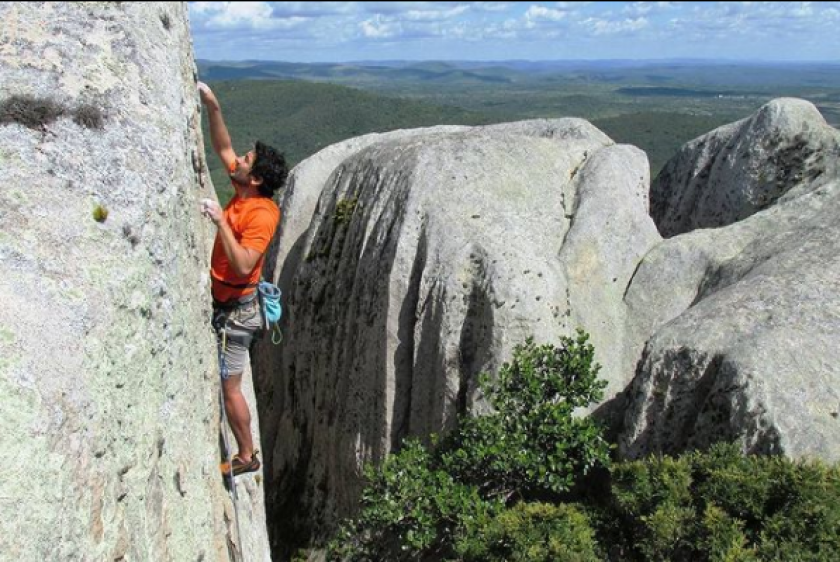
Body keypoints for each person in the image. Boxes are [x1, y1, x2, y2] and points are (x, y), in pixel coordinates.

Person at [198, 81, 288, 477]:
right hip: (224, 302)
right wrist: (213, 107)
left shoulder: (262, 215)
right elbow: (222, 148)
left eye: (247, 160)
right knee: (227, 382)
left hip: (236, 315)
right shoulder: (244, 188)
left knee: (231, 387)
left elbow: (243, 263)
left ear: (256, 180)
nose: (240, 160)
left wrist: (221, 223)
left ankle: (247, 455)